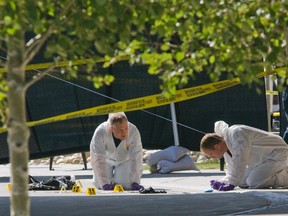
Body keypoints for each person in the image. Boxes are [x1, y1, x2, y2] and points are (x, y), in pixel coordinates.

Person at [200, 120, 288, 191]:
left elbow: (240, 160)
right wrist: (224, 181)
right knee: (241, 182)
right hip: (263, 159)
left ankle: (285, 177)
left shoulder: (236, 134)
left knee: (254, 182)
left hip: (278, 154)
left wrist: (232, 183)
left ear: (217, 146)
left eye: (211, 154)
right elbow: (232, 168)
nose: (212, 158)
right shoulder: (226, 148)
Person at [90, 112, 144, 191]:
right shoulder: (100, 132)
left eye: (126, 128)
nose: (124, 132)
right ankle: (108, 181)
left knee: (125, 185)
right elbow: (98, 158)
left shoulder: (134, 130)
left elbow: (136, 156)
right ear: (111, 128)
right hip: (106, 160)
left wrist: (135, 181)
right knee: (99, 184)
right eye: (120, 130)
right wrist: (104, 183)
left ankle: (116, 180)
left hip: (125, 160)